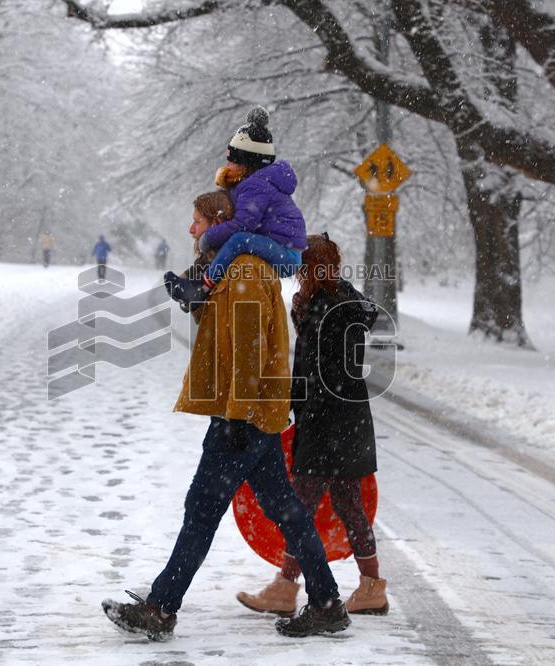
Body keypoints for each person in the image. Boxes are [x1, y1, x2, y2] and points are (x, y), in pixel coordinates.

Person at [102, 192, 351, 641]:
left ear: (218, 223)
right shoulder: (236, 270)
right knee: (287, 511)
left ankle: (160, 609)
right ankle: (327, 602)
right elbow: (229, 335)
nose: (192, 230)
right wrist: (194, 296)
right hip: (254, 415)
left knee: (201, 511)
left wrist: (237, 419)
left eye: (197, 221)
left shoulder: (245, 272)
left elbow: (250, 351)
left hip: (242, 418)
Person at [236, 233, 389, 617]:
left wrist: (290, 409)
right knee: (348, 503)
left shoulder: (321, 309)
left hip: (324, 423)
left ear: (307, 268)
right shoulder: (347, 302)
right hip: (350, 420)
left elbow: (310, 371)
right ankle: (371, 586)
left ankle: (285, 587)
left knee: (299, 505)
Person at [163, 107, 307, 310]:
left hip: (287, 254)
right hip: (278, 246)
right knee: (229, 243)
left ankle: (200, 289)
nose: (227, 164)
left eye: (232, 160)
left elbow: (243, 224)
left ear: (247, 164)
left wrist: (210, 236)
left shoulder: (256, 185)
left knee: (238, 240)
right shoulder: (251, 184)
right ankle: (189, 281)